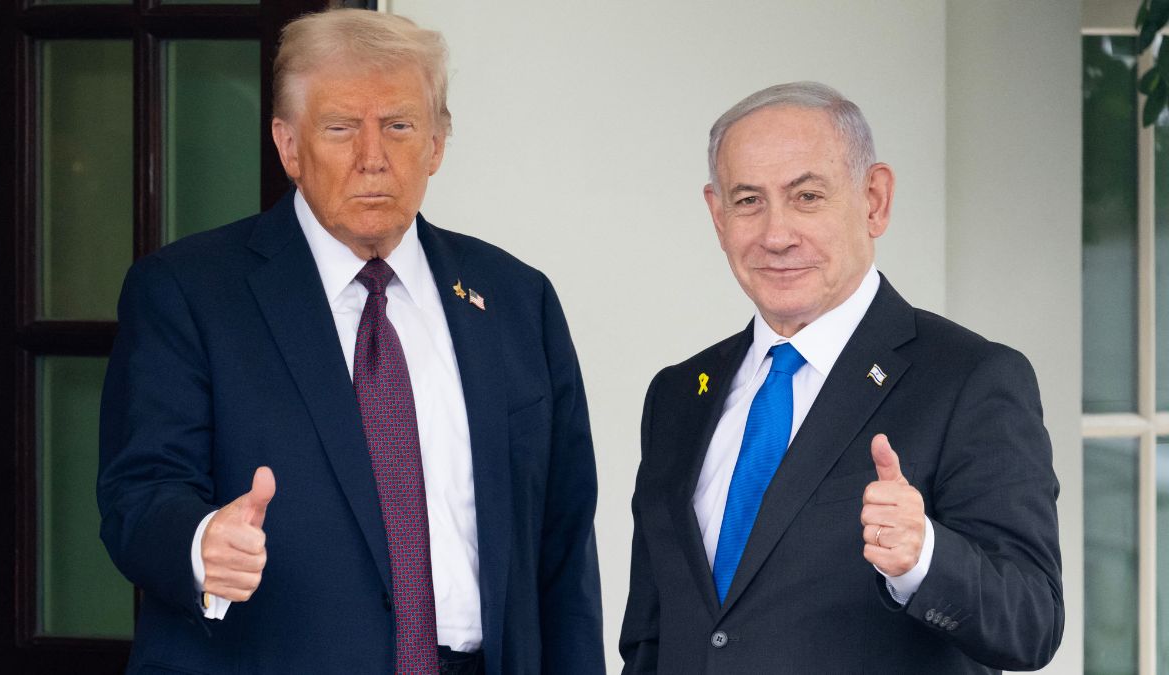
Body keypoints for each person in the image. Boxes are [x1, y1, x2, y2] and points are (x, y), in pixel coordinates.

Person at [97, 9, 604, 674]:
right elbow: (140, 491)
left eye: (398, 126)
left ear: (437, 144)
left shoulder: (515, 299)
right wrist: (201, 545)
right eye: (340, 128)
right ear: (289, 145)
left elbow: (563, 549)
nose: (373, 157)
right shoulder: (188, 292)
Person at [619, 81, 1063, 673]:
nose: (776, 235)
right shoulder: (677, 394)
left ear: (875, 200)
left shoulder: (971, 379)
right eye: (748, 200)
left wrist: (924, 558)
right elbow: (652, 636)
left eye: (806, 196)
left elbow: (1031, 622)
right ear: (717, 215)